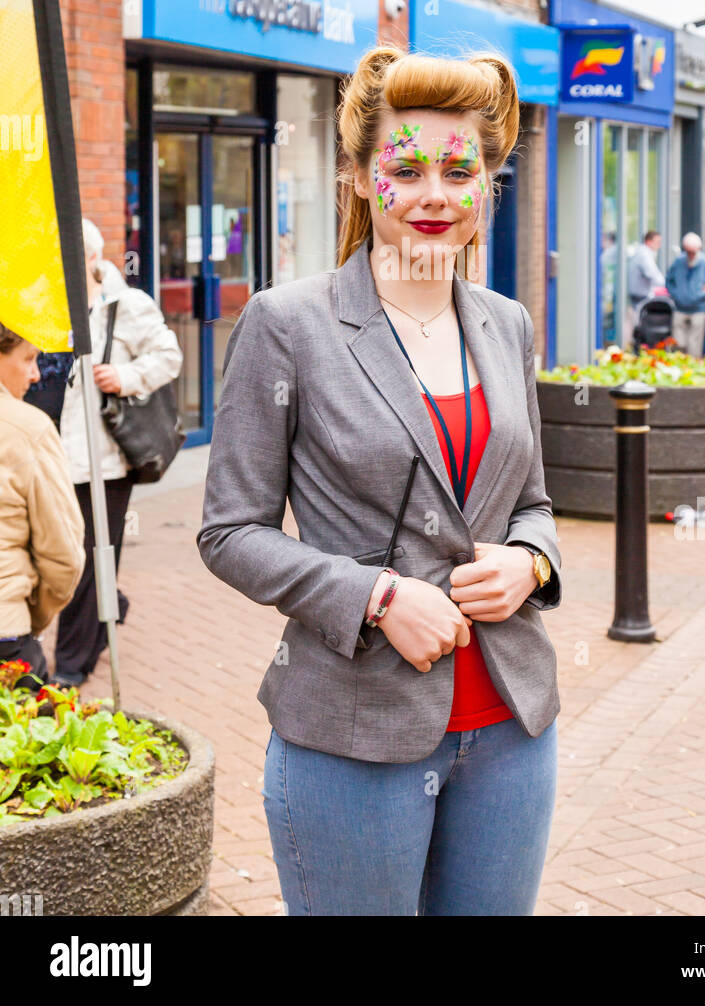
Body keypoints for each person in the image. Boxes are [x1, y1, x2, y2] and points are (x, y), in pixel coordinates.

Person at [198, 46, 562, 917]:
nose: (435, 193)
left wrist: (531, 563)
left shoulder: (506, 323)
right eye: (407, 168)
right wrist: (375, 597)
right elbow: (227, 531)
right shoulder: (289, 324)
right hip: (353, 735)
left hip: (511, 729)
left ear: (486, 184)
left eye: (458, 168)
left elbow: (535, 504)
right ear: (361, 179)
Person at [54, 219, 182, 687]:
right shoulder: (46, 307)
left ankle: (71, 665)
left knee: (89, 557)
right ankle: (114, 605)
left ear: (89, 258)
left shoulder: (126, 305)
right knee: (66, 556)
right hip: (55, 456)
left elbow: (169, 356)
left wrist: (124, 377)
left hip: (105, 458)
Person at [0, 323, 85, 690]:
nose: (35, 374)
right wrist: (31, 616)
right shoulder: (27, 428)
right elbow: (64, 554)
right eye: (29, 358)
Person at [666, 232, 705, 358]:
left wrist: (702, 294)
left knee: (694, 345)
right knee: (679, 343)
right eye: (688, 251)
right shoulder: (678, 261)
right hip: (680, 308)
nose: (691, 255)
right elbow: (669, 281)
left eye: (693, 252)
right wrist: (676, 295)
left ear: (699, 249)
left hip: (698, 309)